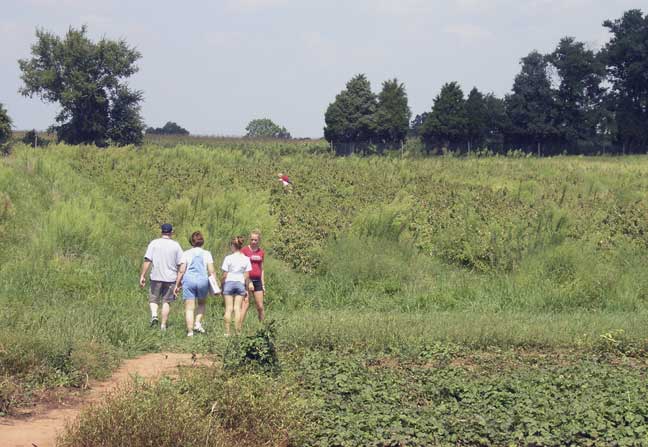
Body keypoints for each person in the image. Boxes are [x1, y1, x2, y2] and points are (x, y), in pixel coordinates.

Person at [139, 223, 183, 331]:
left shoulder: (154, 243)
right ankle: (163, 326)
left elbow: (148, 260)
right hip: (171, 278)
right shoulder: (176, 245)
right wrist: (179, 280)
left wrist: (142, 275)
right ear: (171, 232)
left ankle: (154, 315)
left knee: (153, 299)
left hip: (156, 276)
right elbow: (181, 263)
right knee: (166, 302)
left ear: (161, 232)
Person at [173, 231, 216, 337]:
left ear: (191, 241)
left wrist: (177, 284)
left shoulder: (186, 253)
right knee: (201, 304)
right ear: (202, 242)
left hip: (189, 280)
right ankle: (197, 322)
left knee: (189, 308)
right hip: (202, 281)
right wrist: (215, 285)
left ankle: (190, 332)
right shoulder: (207, 253)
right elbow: (211, 271)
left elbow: (182, 270)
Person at [221, 236, 252, 336]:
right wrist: (246, 289)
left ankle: (227, 332)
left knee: (228, 308)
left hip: (229, 282)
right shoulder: (246, 259)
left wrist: (222, 285)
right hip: (240, 283)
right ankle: (237, 332)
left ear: (233, 246)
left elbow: (225, 275)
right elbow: (247, 276)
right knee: (237, 308)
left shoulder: (228, 258)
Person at [241, 230, 266, 323]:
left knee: (260, 306)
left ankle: (263, 328)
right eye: (252, 240)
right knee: (245, 304)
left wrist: (263, 284)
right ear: (249, 239)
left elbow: (262, 268)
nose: (253, 242)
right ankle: (238, 328)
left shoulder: (261, 252)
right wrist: (247, 280)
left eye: (255, 240)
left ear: (259, 240)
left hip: (258, 281)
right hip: (247, 280)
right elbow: (241, 267)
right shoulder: (244, 250)